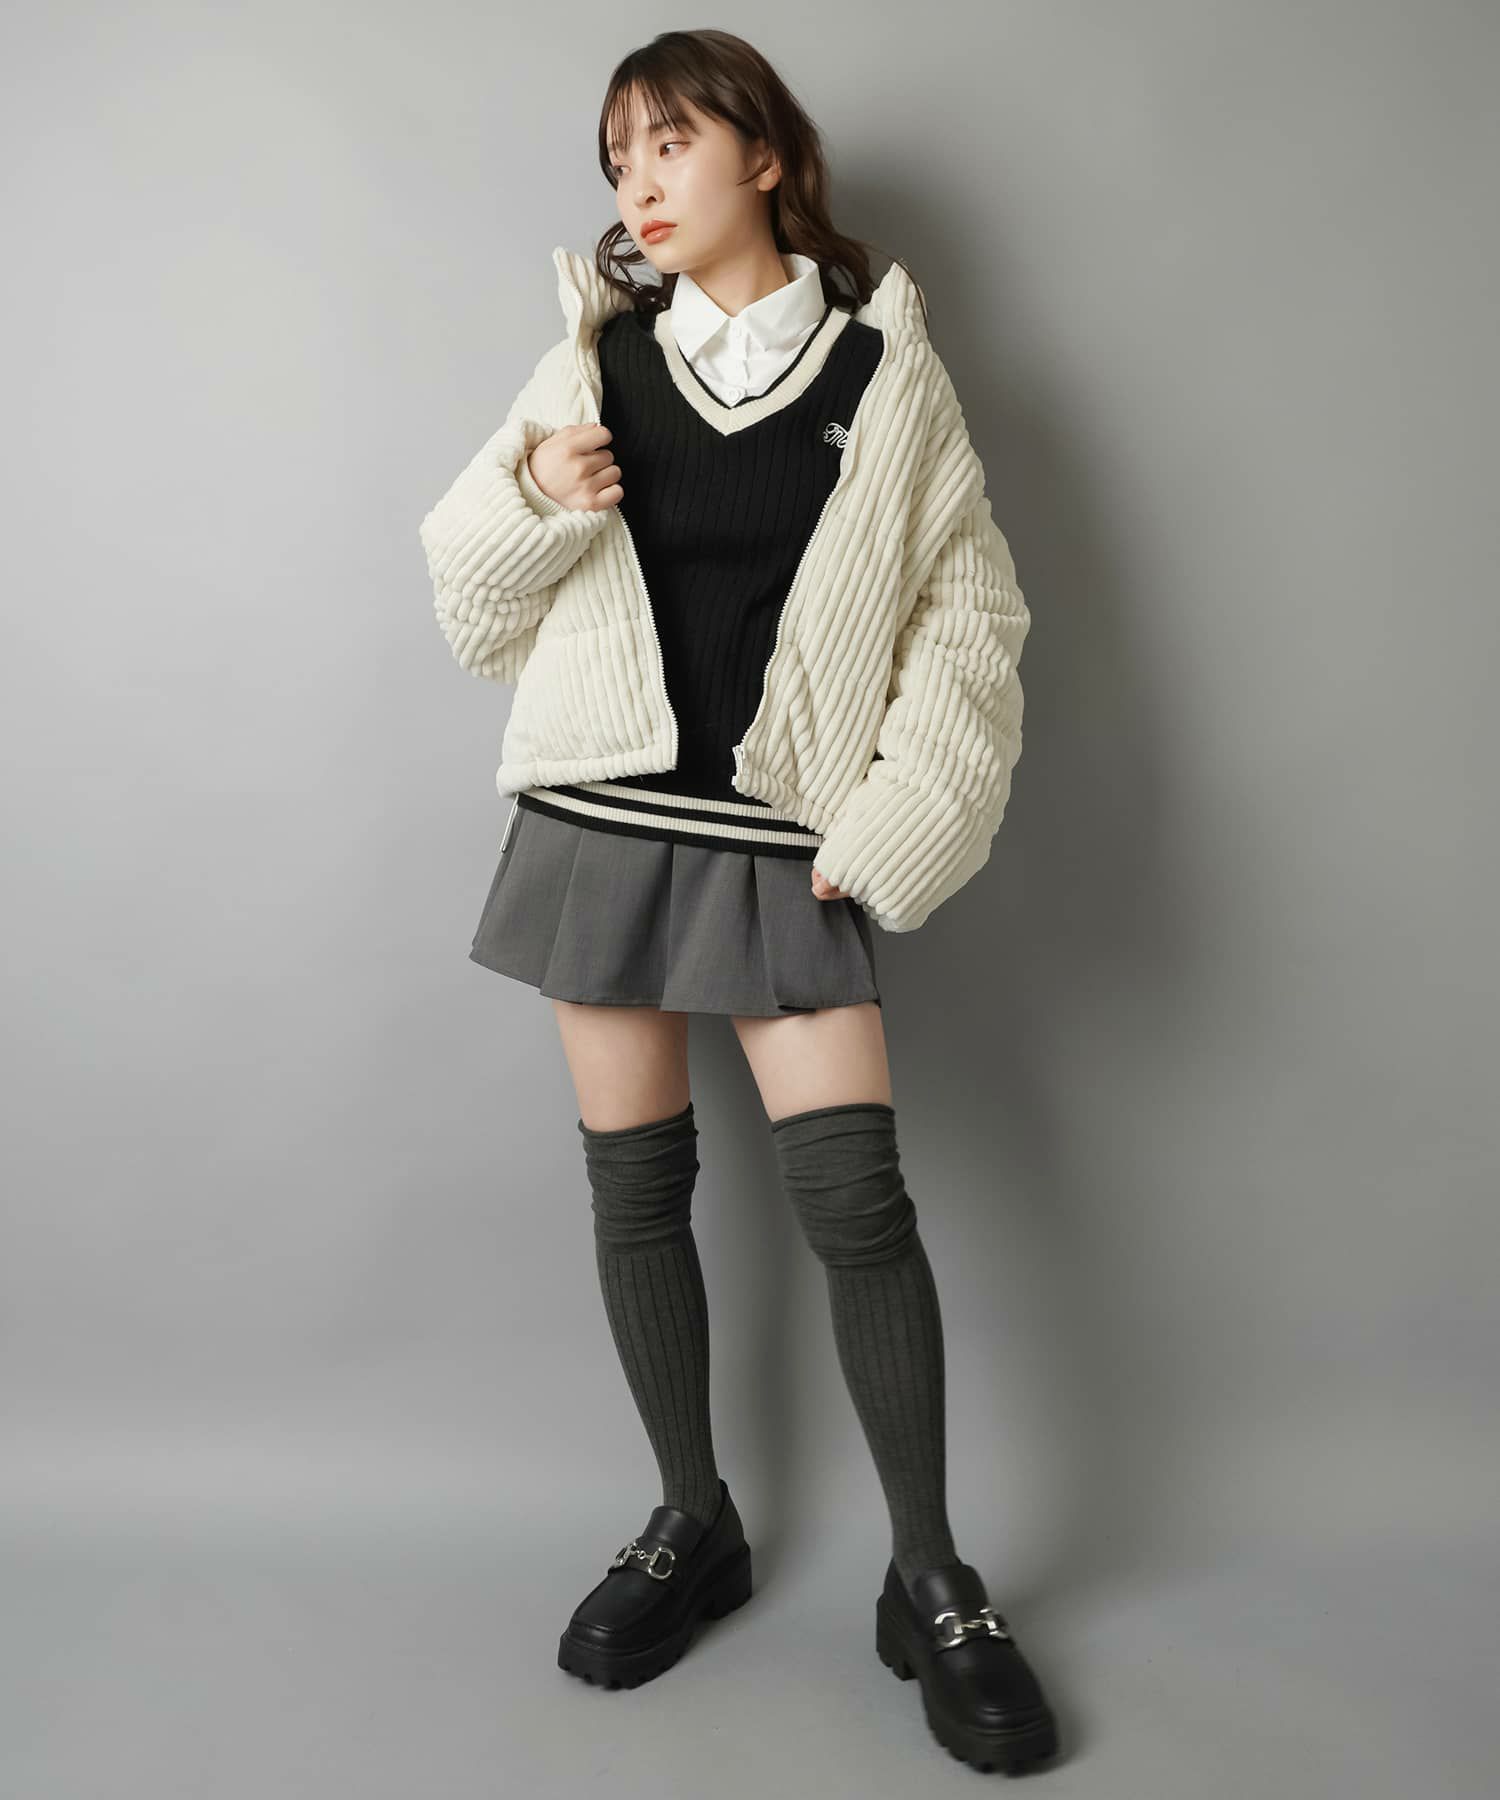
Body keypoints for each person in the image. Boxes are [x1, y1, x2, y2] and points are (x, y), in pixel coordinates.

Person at [418, 27, 1057, 1775]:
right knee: (639, 1191)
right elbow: (471, 600)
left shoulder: (882, 371)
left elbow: (970, 627)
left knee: (856, 1203)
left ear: (763, 155)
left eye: (669, 142)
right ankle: (690, 1518)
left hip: (785, 838)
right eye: (616, 155)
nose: (637, 180)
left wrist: (899, 820)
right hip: (600, 817)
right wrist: (536, 496)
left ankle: (929, 1575)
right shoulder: (596, 361)